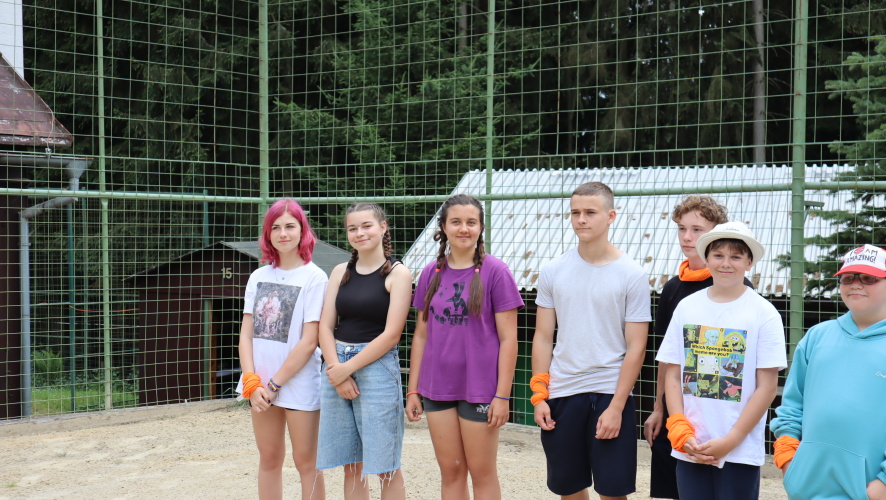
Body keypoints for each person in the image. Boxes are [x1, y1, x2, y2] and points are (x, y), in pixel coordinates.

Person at [531, 181, 651, 500]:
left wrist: (617, 406)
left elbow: (637, 346)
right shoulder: (552, 270)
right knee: (569, 490)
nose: (581, 219)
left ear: (611, 216)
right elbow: (542, 337)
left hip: (610, 393)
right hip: (562, 393)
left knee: (613, 492)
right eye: (575, 213)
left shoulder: (632, 274)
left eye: (590, 212)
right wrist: (539, 396)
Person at [405, 193, 524, 500]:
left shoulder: (497, 272)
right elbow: (421, 335)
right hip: (437, 387)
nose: (463, 229)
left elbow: (509, 339)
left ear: (481, 227)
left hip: (481, 389)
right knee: (451, 472)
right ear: (444, 227)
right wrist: (413, 389)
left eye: (471, 222)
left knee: (482, 473)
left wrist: (502, 395)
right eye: (456, 222)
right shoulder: (431, 272)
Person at [656, 221, 786, 500]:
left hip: (738, 451)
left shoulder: (764, 313)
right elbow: (673, 373)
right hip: (691, 446)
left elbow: (767, 387)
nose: (726, 263)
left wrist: (732, 439)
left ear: (749, 262)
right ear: (706, 258)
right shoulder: (686, 307)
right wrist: (678, 427)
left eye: (736, 257)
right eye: (718, 255)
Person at [770, 244, 886, 500]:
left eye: (868, 278)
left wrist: (881, 487)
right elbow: (792, 406)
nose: (856, 284)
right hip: (806, 489)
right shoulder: (817, 337)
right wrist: (789, 461)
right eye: (848, 277)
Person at [644, 196, 737, 500]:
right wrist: (659, 408)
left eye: (697, 230)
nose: (687, 237)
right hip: (676, 412)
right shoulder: (672, 288)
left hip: (716, 414)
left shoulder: (734, 286)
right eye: (682, 228)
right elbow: (667, 357)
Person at [317, 203, 412, 500]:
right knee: (351, 464)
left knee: (386, 466)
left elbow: (392, 334)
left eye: (366, 226)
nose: (359, 233)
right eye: (352, 228)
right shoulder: (339, 272)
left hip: (376, 369)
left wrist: (347, 369)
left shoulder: (398, 273)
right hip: (335, 365)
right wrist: (336, 371)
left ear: (383, 227)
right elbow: (325, 327)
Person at [237, 199, 327, 500]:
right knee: (269, 458)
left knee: (307, 463)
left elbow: (310, 341)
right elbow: (246, 334)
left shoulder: (315, 277)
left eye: (290, 226)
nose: (283, 233)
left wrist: (275, 384)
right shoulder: (258, 276)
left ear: (303, 231)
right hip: (259, 385)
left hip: (298, 383)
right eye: (275, 227)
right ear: (268, 233)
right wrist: (252, 382)